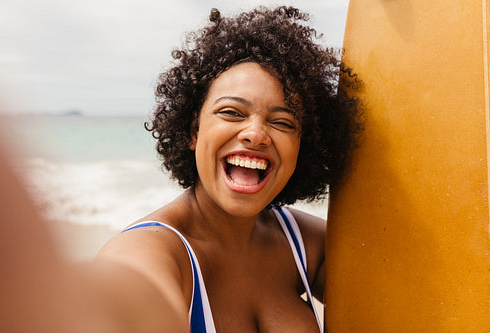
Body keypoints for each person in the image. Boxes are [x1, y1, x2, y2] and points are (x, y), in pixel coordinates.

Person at [96, 5, 361, 333]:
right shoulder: (148, 255)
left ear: (302, 146)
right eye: (232, 112)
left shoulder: (306, 245)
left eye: (281, 121)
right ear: (194, 131)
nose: (255, 134)